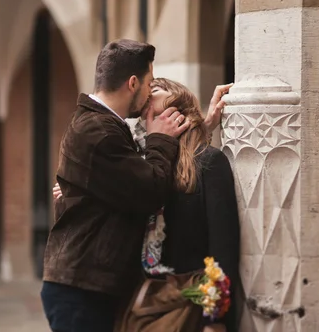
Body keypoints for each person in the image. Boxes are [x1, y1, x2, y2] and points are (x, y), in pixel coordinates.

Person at [54, 78, 242, 332]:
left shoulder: (210, 163)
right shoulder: (140, 165)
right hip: (141, 305)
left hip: (189, 304)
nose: (146, 97)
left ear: (178, 101)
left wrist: (216, 320)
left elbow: (224, 249)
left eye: (154, 90)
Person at [41, 39, 191, 332]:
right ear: (133, 82)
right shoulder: (99, 131)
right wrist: (161, 138)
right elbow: (149, 191)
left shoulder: (103, 124)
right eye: (149, 84)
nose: (149, 95)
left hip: (85, 285)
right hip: (80, 289)